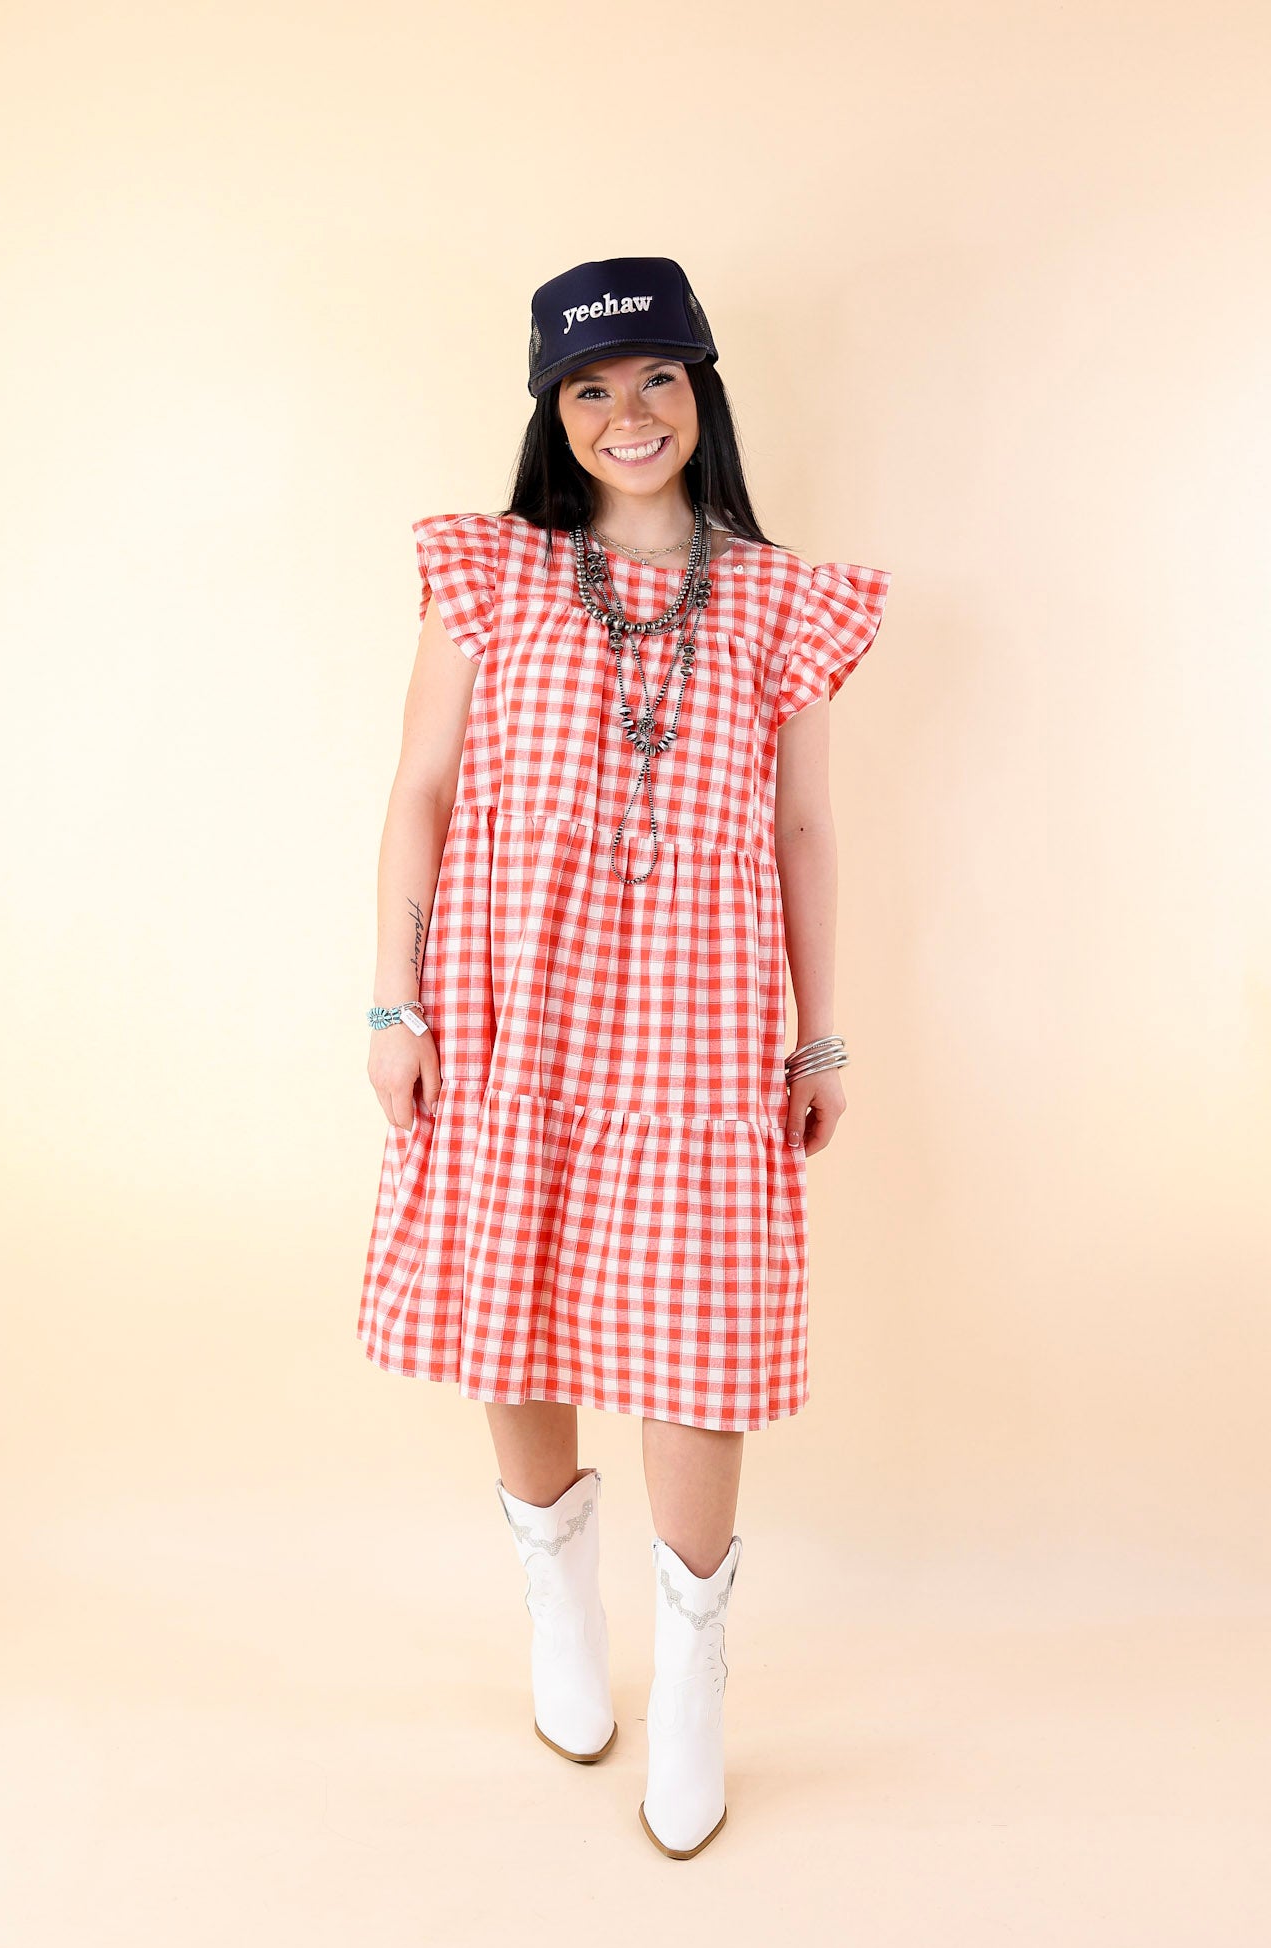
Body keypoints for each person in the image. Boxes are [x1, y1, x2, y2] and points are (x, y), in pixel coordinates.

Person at [357, 255, 891, 1859]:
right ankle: (558, 1611)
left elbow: (800, 822)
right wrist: (392, 1004)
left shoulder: (785, 602)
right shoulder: (495, 573)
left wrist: (818, 1028)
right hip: (510, 1001)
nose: (625, 414)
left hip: (701, 1014)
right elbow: (421, 794)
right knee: (510, 1303)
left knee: (693, 1340)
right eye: (588, 388)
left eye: (655, 378)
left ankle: (697, 1671)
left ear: (702, 391)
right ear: (552, 411)